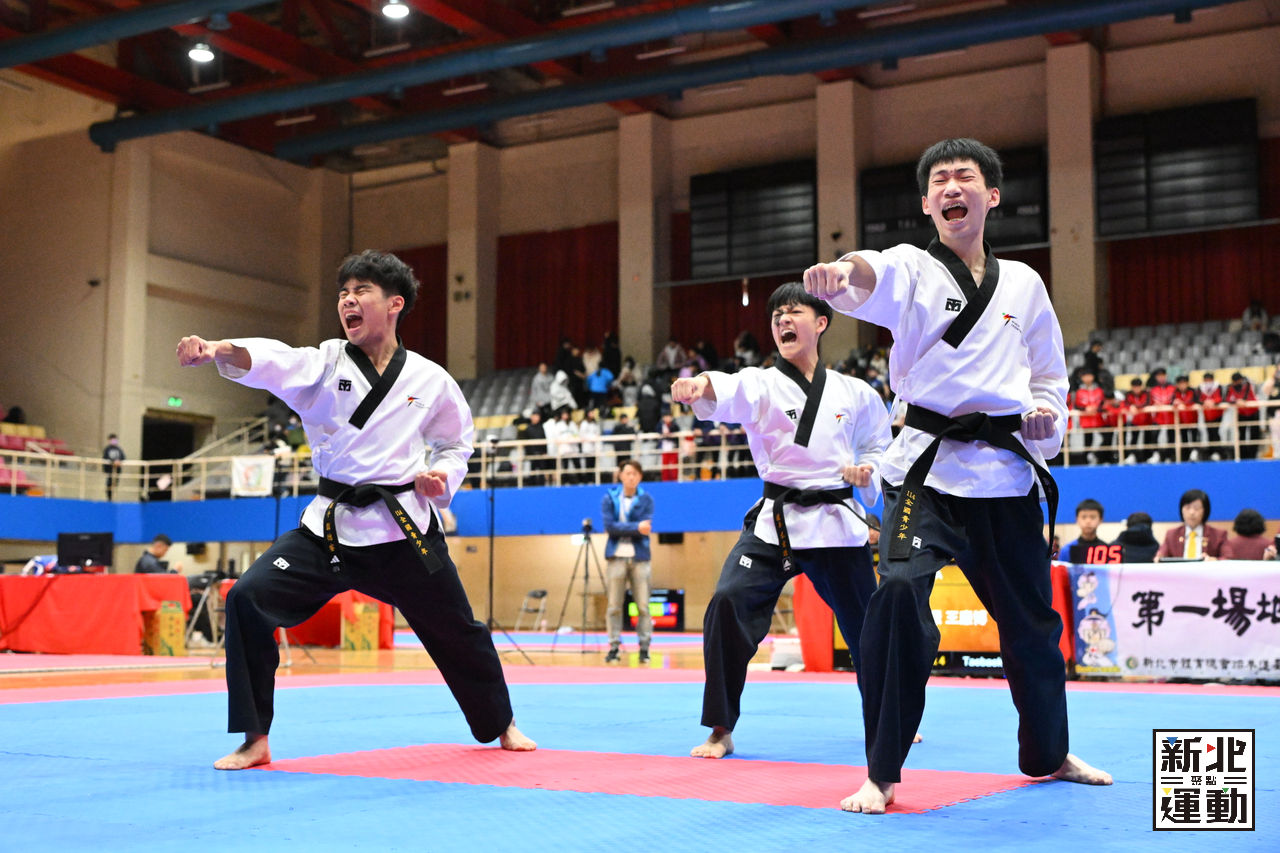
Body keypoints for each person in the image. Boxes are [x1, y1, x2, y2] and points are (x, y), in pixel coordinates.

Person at [803, 138, 1110, 813]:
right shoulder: (914, 267)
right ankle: (882, 770)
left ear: (991, 195)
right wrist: (841, 272)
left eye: (964, 176)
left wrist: (1046, 419)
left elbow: (1049, 374)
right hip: (926, 469)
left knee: (1032, 624)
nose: (951, 186)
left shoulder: (1024, 283)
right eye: (938, 179)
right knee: (897, 596)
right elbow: (872, 274)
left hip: (1004, 472)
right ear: (926, 204)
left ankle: (1048, 753)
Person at [176, 250, 535, 771]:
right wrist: (218, 349)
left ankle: (501, 723)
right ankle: (255, 738)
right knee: (248, 598)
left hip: (403, 527)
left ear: (394, 304)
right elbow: (274, 359)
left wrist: (442, 477)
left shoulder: (430, 379)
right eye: (343, 292)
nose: (348, 300)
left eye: (361, 290)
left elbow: (456, 443)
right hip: (329, 527)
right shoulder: (324, 363)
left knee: (459, 630)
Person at [672, 281, 891, 764]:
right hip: (777, 520)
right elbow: (727, 388)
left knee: (869, 625)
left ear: (821, 323)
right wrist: (700, 385)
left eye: (793, 312)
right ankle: (721, 728)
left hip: (835, 519)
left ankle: (887, 719)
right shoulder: (762, 383)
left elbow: (879, 447)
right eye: (776, 317)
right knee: (727, 603)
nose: (783, 321)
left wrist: (868, 472)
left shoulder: (855, 392)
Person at [601, 459, 654, 664]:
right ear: (621, 475)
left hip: (640, 558)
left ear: (640, 477)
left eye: (635, 474)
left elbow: (645, 527)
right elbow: (610, 527)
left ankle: (644, 648)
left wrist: (624, 527)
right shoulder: (609, 497)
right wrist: (635, 528)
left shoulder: (646, 499)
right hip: (616, 557)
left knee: (643, 606)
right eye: (628, 473)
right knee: (614, 605)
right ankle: (614, 647)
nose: (631, 477)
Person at [1155, 488, 1226, 561]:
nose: (1191, 512)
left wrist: (1214, 560)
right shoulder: (1172, 535)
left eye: (1196, 508)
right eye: (1187, 508)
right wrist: (1158, 558)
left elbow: (1227, 558)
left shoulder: (1218, 535)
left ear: (1205, 510)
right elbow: (1161, 556)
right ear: (1181, 510)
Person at [1224, 372, 1260, 460]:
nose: (1236, 383)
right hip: (1242, 413)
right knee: (1241, 435)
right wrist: (1236, 401)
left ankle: (1253, 456)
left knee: (1254, 435)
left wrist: (1241, 400)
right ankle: (1243, 456)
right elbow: (1226, 399)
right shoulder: (1230, 387)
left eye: (1237, 381)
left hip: (1253, 412)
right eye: (1234, 381)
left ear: (1241, 380)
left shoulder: (1248, 384)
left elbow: (1246, 397)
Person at [1123, 377, 1155, 464]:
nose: (1136, 389)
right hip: (1135, 421)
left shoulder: (1147, 394)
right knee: (1134, 439)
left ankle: (1147, 457)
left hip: (1147, 420)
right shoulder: (1128, 394)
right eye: (1134, 387)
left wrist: (1135, 407)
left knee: (1148, 439)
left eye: (1138, 387)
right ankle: (1132, 455)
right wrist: (1131, 406)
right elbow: (1126, 403)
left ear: (1141, 387)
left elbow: (1147, 403)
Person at [1170, 375, 1200, 462]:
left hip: (1193, 419)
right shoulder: (1175, 392)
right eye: (1180, 383)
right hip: (1182, 420)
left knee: (1194, 437)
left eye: (1184, 383)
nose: (1182, 385)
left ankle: (1195, 453)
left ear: (1187, 383)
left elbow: (1197, 402)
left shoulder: (1193, 391)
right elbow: (1171, 402)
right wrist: (1175, 403)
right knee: (1184, 438)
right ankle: (1185, 456)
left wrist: (1183, 403)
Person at [1198, 372, 1225, 461]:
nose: (1208, 382)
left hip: (1217, 414)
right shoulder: (1200, 388)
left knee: (1216, 432)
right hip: (1207, 414)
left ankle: (1218, 452)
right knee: (1209, 433)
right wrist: (1204, 402)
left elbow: (1221, 398)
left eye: (1209, 380)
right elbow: (1198, 399)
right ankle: (1211, 452)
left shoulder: (1218, 386)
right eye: (1206, 380)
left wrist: (1213, 402)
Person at [102, 434, 126, 501]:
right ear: (109, 440)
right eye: (112, 440)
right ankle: (109, 498)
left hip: (117, 471)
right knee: (109, 484)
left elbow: (123, 457)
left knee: (115, 484)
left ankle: (114, 498)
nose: (114, 441)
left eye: (115, 440)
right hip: (110, 471)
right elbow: (105, 458)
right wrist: (113, 462)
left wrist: (119, 461)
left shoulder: (119, 449)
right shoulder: (107, 449)